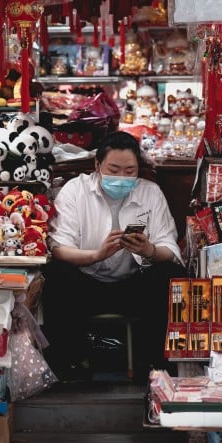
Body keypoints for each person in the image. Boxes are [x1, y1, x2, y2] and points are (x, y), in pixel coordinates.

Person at [42, 131, 186, 381]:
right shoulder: (75, 191)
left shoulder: (150, 192)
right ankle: (69, 365)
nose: (122, 177)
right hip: (86, 285)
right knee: (56, 275)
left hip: (131, 287)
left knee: (170, 276)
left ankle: (155, 365)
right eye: (114, 169)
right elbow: (59, 249)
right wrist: (97, 255)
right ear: (97, 166)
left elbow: (169, 249)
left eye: (130, 171)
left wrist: (148, 250)